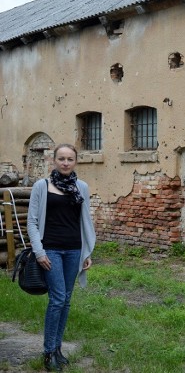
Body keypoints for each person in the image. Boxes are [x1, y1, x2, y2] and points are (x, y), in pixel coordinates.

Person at [27, 144, 96, 372]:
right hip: (51, 251)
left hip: (74, 250)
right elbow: (32, 222)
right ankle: (48, 352)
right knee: (57, 299)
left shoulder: (81, 187)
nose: (65, 163)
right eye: (61, 159)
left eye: (70, 159)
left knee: (66, 300)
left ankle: (57, 349)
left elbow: (84, 221)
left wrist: (87, 252)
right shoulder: (42, 186)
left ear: (75, 161)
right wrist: (39, 252)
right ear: (53, 161)